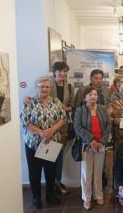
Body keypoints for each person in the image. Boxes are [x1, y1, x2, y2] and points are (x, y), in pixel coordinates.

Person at [20, 76, 67, 209]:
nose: (44, 89)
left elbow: (63, 118)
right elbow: (25, 123)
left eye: (47, 86)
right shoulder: (30, 102)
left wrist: (51, 131)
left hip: (52, 142)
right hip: (33, 144)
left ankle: (50, 195)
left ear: (51, 88)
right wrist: (41, 133)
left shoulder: (56, 101)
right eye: (41, 86)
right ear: (36, 88)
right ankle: (36, 197)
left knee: (50, 171)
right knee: (34, 172)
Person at [73, 87, 111, 210]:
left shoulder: (103, 109)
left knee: (98, 172)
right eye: (90, 94)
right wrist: (91, 140)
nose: (93, 96)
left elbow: (108, 125)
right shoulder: (80, 110)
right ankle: (87, 198)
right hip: (86, 145)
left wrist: (101, 141)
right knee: (86, 173)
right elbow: (77, 127)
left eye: (95, 94)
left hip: (101, 145)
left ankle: (98, 195)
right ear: (85, 97)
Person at [51, 61, 75, 195]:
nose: (62, 73)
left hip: (63, 126)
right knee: (49, 155)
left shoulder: (70, 87)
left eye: (65, 71)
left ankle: (57, 182)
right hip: (49, 126)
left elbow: (72, 105)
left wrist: (66, 108)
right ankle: (52, 182)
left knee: (59, 155)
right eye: (60, 71)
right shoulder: (48, 86)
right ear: (54, 72)